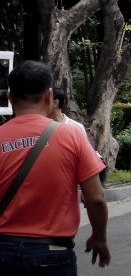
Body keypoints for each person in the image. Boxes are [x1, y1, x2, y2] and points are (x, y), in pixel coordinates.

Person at [0, 60, 111, 272]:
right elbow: (95, 199)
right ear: (50, 96)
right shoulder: (72, 136)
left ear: (10, 98)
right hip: (52, 253)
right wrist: (99, 237)